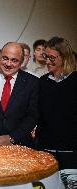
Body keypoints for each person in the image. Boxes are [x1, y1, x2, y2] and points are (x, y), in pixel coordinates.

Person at [0, 42, 39, 148]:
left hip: (21, 144)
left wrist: (12, 138)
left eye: (14, 60)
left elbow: (33, 115)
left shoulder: (33, 82)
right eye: (5, 58)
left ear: (22, 61)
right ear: (0, 58)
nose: (8, 64)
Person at [36, 36, 77, 169]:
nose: (47, 61)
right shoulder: (43, 82)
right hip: (46, 148)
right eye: (45, 56)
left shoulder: (75, 80)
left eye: (52, 58)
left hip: (71, 150)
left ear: (64, 57)